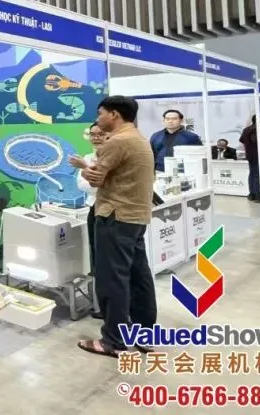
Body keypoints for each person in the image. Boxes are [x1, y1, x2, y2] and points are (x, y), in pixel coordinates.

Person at [77, 96, 157, 358]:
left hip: (115, 216)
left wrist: (84, 170)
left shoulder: (117, 141)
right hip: (136, 217)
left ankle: (113, 340)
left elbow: (96, 180)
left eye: (100, 113)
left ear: (114, 114)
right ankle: (145, 335)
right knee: (139, 276)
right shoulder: (139, 138)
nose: (97, 119)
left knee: (112, 279)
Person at [70, 122, 107, 319]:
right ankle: (99, 303)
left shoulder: (113, 157)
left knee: (109, 259)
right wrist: (93, 179)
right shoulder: (87, 157)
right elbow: (82, 185)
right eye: (92, 134)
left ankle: (110, 306)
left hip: (111, 210)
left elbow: (105, 184)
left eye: (100, 134)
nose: (96, 137)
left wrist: (88, 173)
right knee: (95, 255)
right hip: (94, 207)